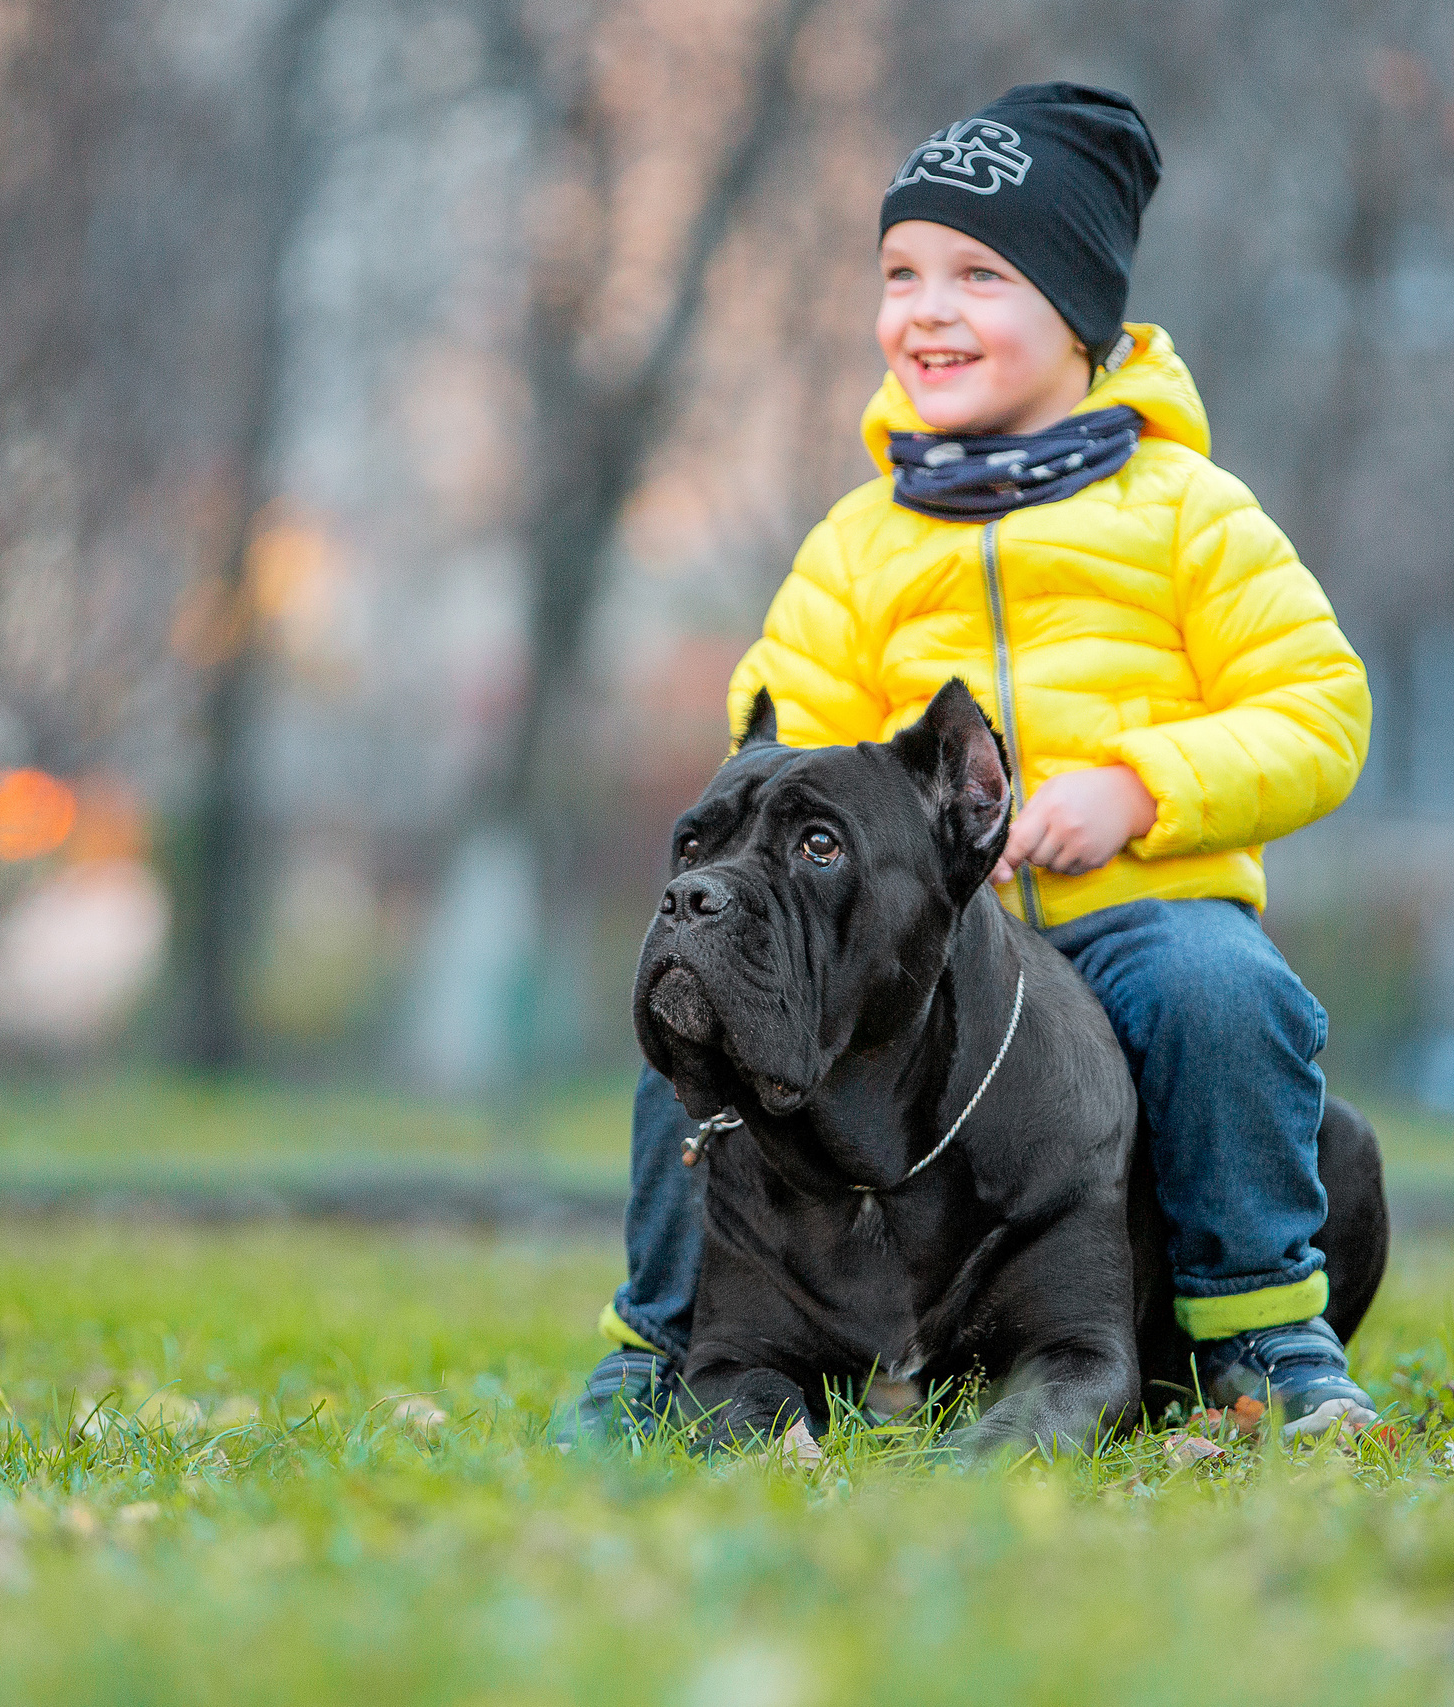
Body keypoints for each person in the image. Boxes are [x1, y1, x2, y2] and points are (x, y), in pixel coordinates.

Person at [561, 82, 1375, 1443]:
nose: (925, 311)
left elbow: (1320, 707)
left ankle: (1260, 1334)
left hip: (1135, 917)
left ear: (1081, 310)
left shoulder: (1188, 513)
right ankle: (663, 1340)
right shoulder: (861, 542)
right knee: (708, 998)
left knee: (1223, 995)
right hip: (938, 956)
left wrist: (1142, 789)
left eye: (979, 275)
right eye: (901, 274)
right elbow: (782, 746)